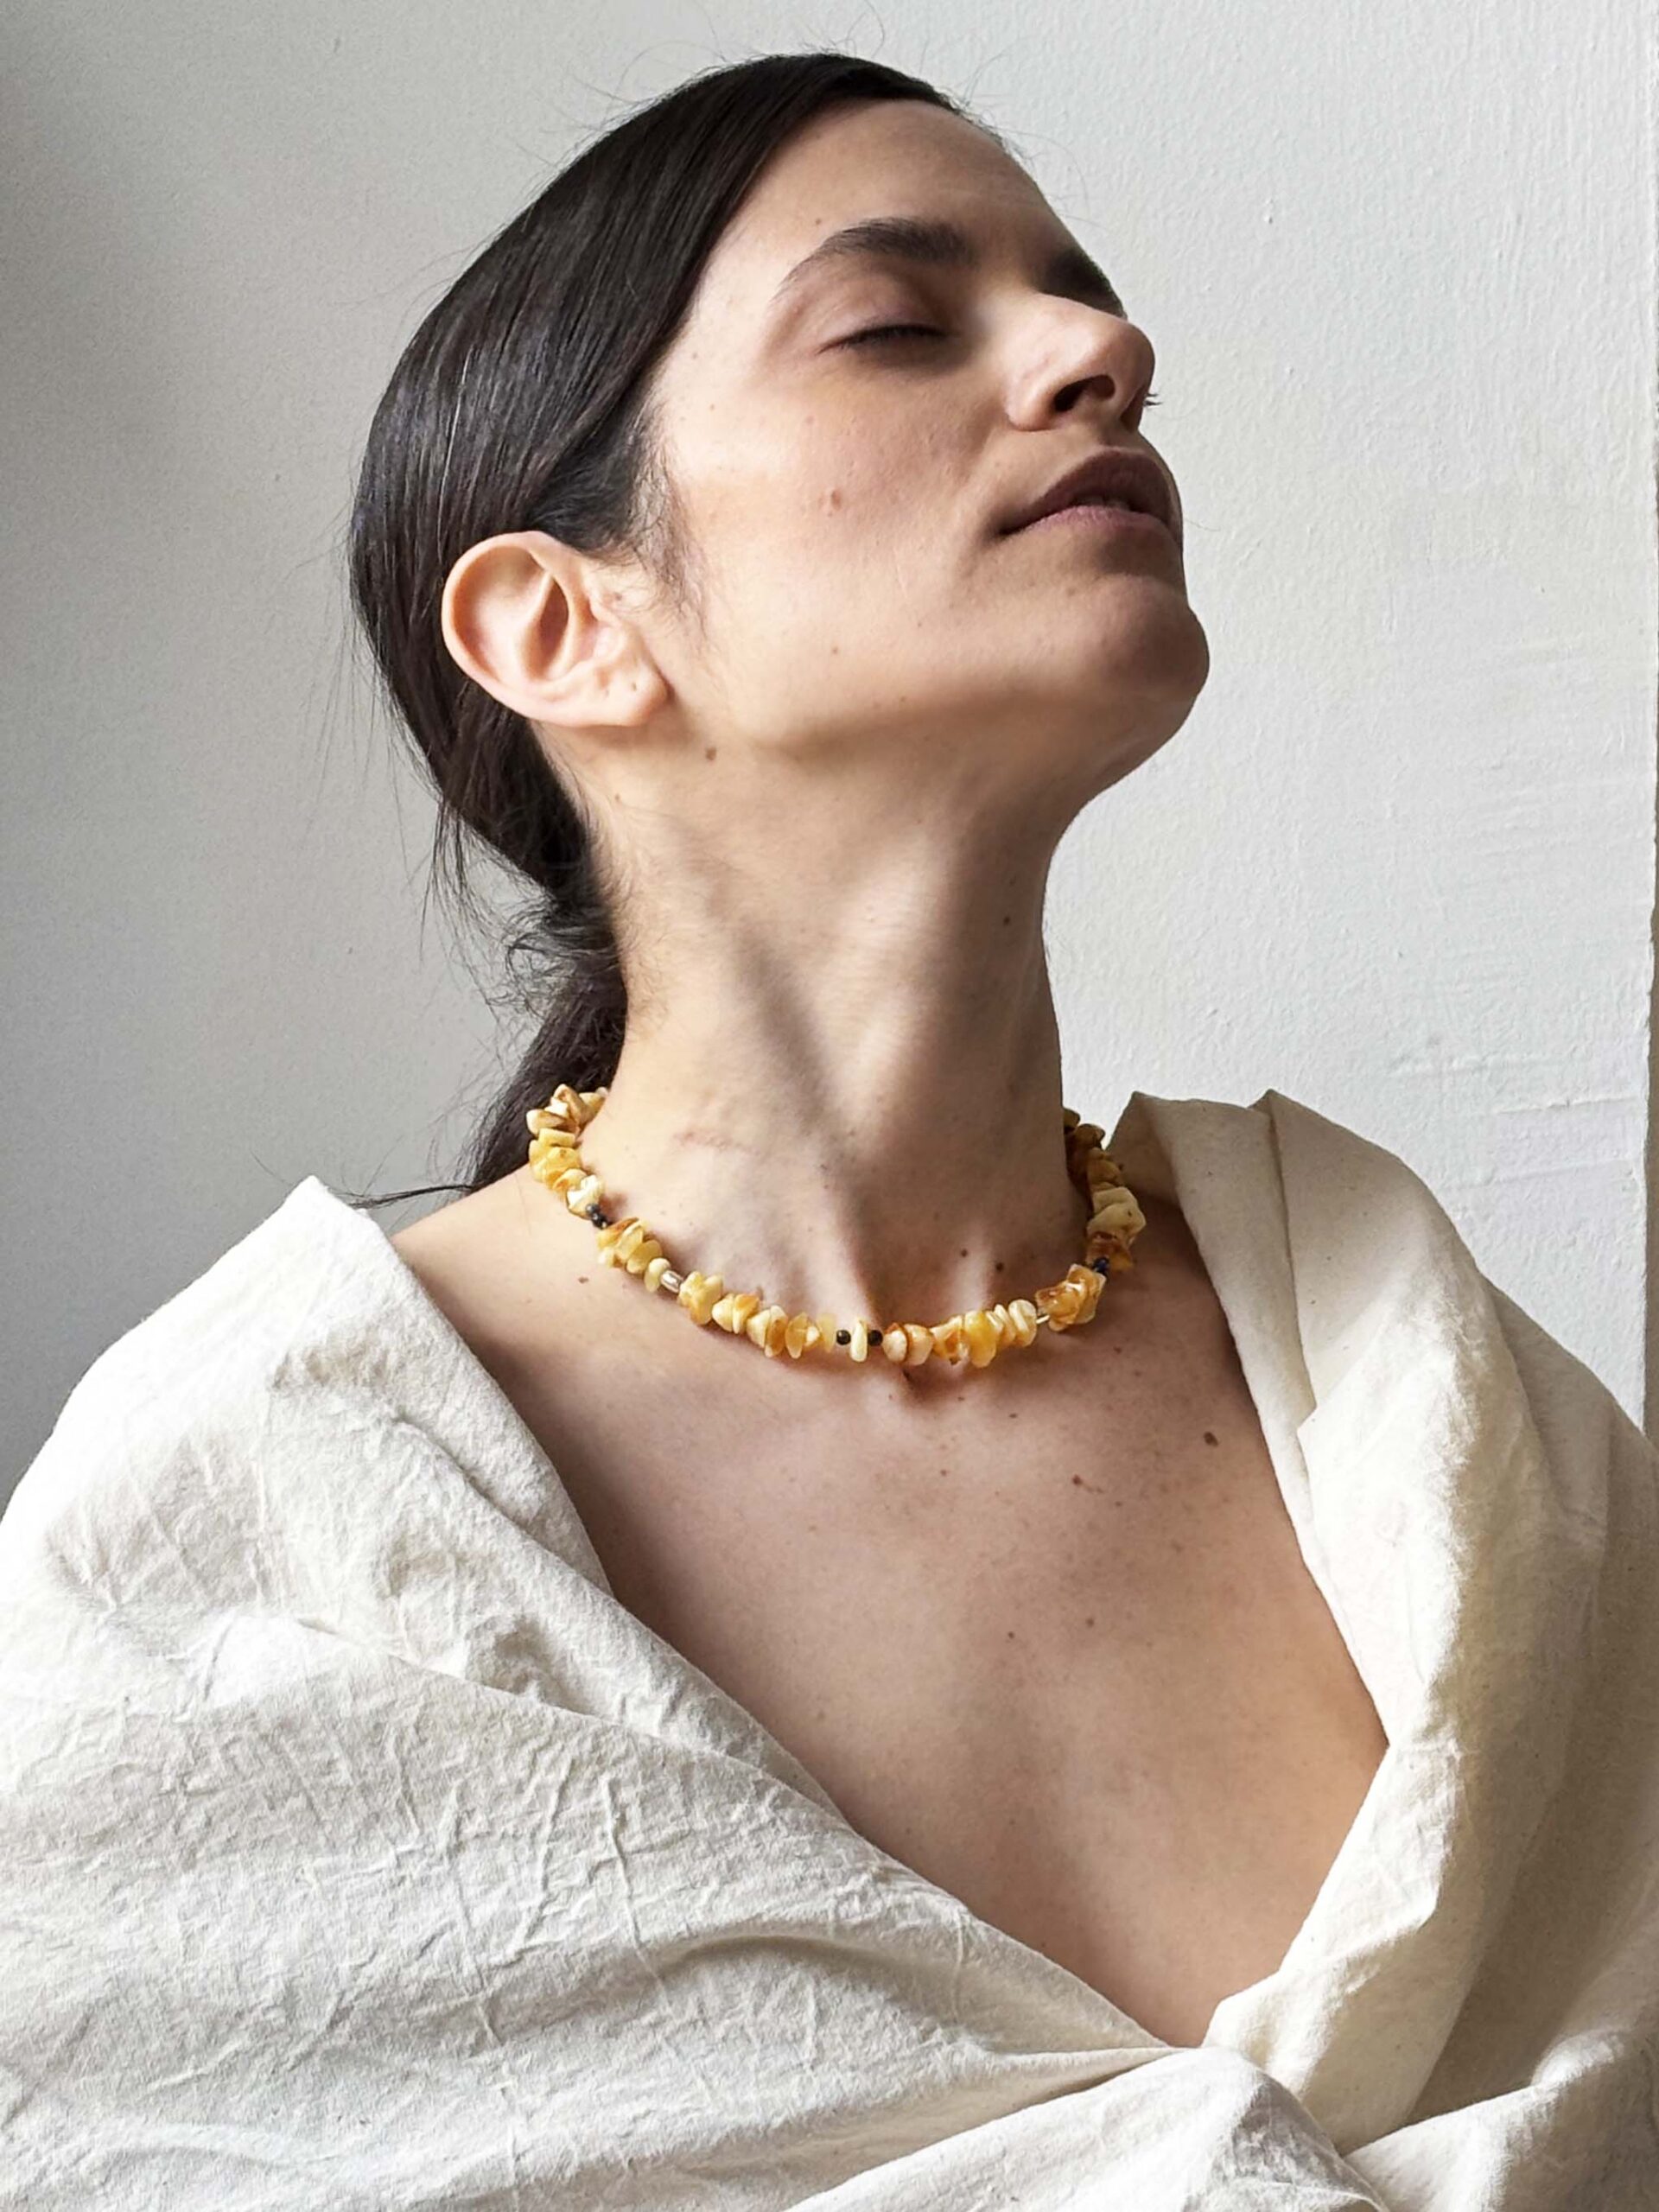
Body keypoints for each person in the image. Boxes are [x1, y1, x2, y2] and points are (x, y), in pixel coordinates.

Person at [2, 50, 1656, 2210]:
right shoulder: (263, 1524)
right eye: (896, 321)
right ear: (561, 624)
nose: (1102, 351)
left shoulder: (1425, 1409)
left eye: (1086, 300)